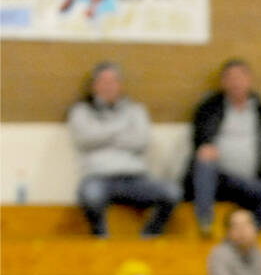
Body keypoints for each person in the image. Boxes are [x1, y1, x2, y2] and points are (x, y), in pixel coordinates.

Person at [67, 61, 180, 238]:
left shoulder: (136, 110)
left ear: (120, 85)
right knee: (89, 195)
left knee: (172, 192)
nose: (108, 86)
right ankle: (101, 237)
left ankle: (150, 235)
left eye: (112, 82)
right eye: (103, 82)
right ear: (94, 86)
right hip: (99, 178)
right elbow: (85, 139)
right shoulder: (81, 111)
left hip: (136, 178)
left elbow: (140, 141)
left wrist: (102, 134)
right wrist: (120, 128)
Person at [184, 58, 261, 235]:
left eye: (240, 77)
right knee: (204, 160)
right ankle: (205, 222)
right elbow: (199, 140)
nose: (236, 82)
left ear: (249, 80)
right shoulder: (209, 108)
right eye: (230, 78)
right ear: (223, 82)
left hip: (251, 181)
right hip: (219, 179)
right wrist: (205, 146)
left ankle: (242, 232)